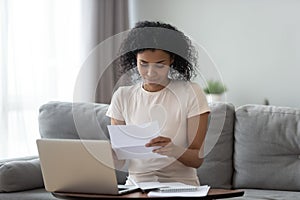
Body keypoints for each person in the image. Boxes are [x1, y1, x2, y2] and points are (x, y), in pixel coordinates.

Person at [106, 21, 210, 186]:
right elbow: (120, 162)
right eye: (143, 64)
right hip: (136, 186)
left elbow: (196, 159)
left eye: (160, 65)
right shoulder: (122, 96)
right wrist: (110, 154)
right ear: (135, 60)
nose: (150, 73)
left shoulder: (191, 93)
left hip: (181, 186)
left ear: (172, 60)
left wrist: (173, 150)